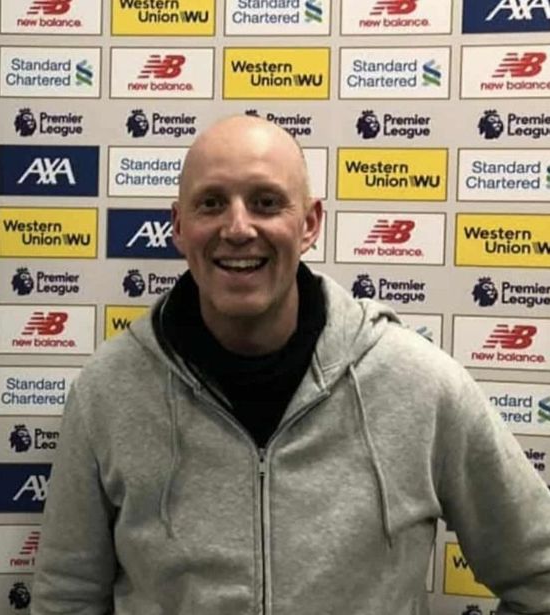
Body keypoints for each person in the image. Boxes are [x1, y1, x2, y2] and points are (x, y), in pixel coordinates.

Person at [31, 116, 550, 615]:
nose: (238, 228)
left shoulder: (418, 383)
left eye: (266, 202)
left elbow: (540, 575)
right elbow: (66, 597)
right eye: (211, 203)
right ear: (179, 226)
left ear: (310, 223)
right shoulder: (109, 391)